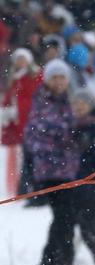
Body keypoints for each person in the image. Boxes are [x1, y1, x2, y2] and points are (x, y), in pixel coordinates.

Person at [26, 59, 80, 265]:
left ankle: (49, 261)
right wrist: (64, 138)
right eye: (55, 77)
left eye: (62, 77)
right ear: (48, 80)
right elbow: (33, 137)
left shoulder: (69, 100)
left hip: (70, 168)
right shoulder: (42, 101)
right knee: (65, 216)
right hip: (51, 170)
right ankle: (64, 263)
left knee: (65, 216)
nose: (59, 81)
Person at [70, 88, 95, 265]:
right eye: (75, 103)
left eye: (82, 103)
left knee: (90, 224)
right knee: (78, 224)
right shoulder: (69, 126)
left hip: (89, 184)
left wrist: (88, 148)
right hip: (72, 183)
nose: (78, 107)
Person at [0, 48, 42, 197]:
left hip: (33, 123)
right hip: (20, 125)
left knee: (30, 158)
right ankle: (23, 188)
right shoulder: (14, 78)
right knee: (23, 157)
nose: (20, 63)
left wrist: (18, 109)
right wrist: (7, 112)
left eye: (22, 59)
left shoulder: (35, 76)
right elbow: (8, 99)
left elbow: (36, 99)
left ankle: (27, 189)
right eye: (18, 60)